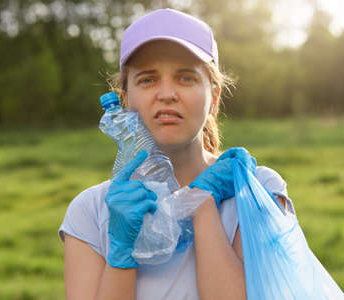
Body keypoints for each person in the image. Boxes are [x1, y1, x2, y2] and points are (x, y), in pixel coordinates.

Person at [58, 8, 295, 300]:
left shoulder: (255, 188)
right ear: (125, 100)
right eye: (148, 79)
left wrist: (201, 202)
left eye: (185, 78)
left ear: (214, 98)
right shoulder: (91, 211)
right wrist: (121, 250)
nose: (167, 93)